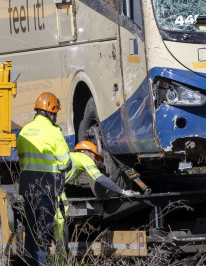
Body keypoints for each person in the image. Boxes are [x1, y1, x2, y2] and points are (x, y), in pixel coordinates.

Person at [17, 92, 72, 266]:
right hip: (46, 190)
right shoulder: (54, 132)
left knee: (31, 234)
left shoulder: (24, 131)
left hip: (27, 190)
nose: (55, 117)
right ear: (51, 113)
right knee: (42, 234)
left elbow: (21, 161)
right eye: (55, 113)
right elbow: (65, 163)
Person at [53, 141, 139, 241]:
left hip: (48, 185)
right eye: (94, 156)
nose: (95, 160)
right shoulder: (83, 158)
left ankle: (57, 252)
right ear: (86, 152)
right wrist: (122, 191)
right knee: (60, 222)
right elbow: (99, 178)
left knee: (55, 221)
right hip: (53, 188)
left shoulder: (71, 157)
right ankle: (60, 253)